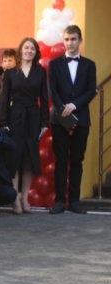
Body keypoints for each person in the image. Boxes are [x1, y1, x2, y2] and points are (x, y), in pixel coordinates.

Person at [48, 25, 97, 214]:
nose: (70, 43)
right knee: (61, 159)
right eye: (67, 39)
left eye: (74, 39)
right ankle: (60, 201)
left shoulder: (89, 65)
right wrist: (63, 108)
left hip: (81, 118)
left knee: (77, 160)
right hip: (60, 118)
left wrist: (74, 105)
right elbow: (53, 90)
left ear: (80, 41)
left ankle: (74, 201)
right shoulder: (54, 64)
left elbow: (91, 90)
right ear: (64, 41)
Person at [0, 37, 50, 214]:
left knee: (29, 159)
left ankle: (25, 198)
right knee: (15, 158)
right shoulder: (10, 73)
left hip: (33, 118)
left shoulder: (40, 72)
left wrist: (45, 122)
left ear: (36, 53)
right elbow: (5, 98)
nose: (29, 51)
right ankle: (15, 198)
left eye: (32, 48)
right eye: (26, 48)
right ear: (20, 51)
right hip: (15, 117)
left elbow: (44, 98)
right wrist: (3, 121)